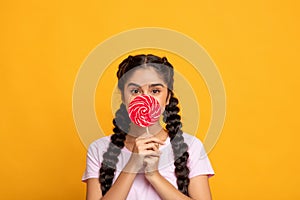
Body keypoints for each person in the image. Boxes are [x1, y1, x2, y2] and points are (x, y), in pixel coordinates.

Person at [81, 54, 215, 200]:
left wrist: (154, 175)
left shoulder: (192, 147)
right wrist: (132, 164)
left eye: (155, 91)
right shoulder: (99, 149)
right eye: (135, 91)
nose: (145, 99)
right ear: (123, 97)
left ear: (168, 97)